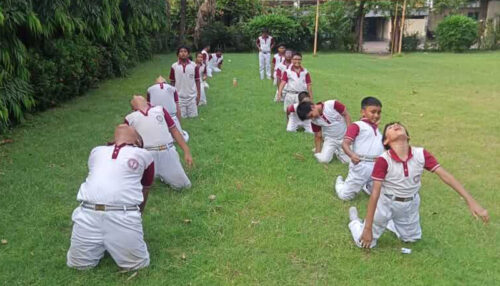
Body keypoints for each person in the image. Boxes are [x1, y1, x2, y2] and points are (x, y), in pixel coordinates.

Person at [348, 122, 489, 249]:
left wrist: (472, 202)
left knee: (412, 239)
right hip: (386, 204)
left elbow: (446, 176)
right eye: (390, 127)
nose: (396, 125)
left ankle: (392, 223)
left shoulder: (421, 154)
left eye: (399, 125)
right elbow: (375, 194)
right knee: (365, 244)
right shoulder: (384, 160)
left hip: (409, 205)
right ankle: (355, 222)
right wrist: (367, 228)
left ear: (408, 137)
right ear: (386, 140)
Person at [67, 124, 154, 271]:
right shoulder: (96, 151)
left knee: (138, 266)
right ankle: (105, 242)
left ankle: (110, 241)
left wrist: (137, 215)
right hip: (87, 214)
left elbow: (145, 188)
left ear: (138, 142)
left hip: (123, 216)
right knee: (78, 266)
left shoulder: (144, 155)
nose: (125, 126)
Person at [125, 95, 193, 190]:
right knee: (140, 188)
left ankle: (164, 175)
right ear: (133, 108)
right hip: (147, 155)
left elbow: (174, 130)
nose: (135, 96)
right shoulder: (130, 118)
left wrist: (186, 151)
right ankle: (155, 175)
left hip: (166, 151)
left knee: (183, 186)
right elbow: (126, 142)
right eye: (134, 98)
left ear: (147, 101)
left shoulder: (160, 110)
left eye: (138, 96)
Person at [335, 97, 384, 200]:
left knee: (381, 195)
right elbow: (345, 143)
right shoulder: (357, 125)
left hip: (377, 166)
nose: (376, 115)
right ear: (363, 112)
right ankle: (340, 184)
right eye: (373, 112)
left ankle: (367, 186)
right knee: (345, 196)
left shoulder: (377, 130)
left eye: (379, 112)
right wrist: (352, 155)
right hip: (361, 165)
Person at [296, 100, 351, 164]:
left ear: (312, 107)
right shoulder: (314, 121)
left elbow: (346, 115)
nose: (312, 118)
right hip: (330, 140)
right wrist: (317, 153)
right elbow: (318, 136)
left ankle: (336, 151)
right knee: (323, 160)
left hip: (344, 139)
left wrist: (349, 135)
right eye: (309, 118)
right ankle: (330, 149)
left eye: (311, 115)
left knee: (348, 161)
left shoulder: (332, 104)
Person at [147, 76, 189, 142]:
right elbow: (177, 107)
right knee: (182, 137)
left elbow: (148, 107)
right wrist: (179, 124)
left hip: (156, 118)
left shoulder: (149, 90)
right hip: (172, 118)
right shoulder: (173, 89)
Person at [169, 46, 201, 118]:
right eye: (181, 51)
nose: (183, 53)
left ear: (188, 54)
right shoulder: (174, 66)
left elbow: (197, 81)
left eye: (185, 51)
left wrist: (198, 95)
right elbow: (172, 82)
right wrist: (172, 97)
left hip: (192, 97)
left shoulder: (194, 65)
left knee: (194, 118)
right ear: (178, 54)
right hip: (179, 98)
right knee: (182, 118)